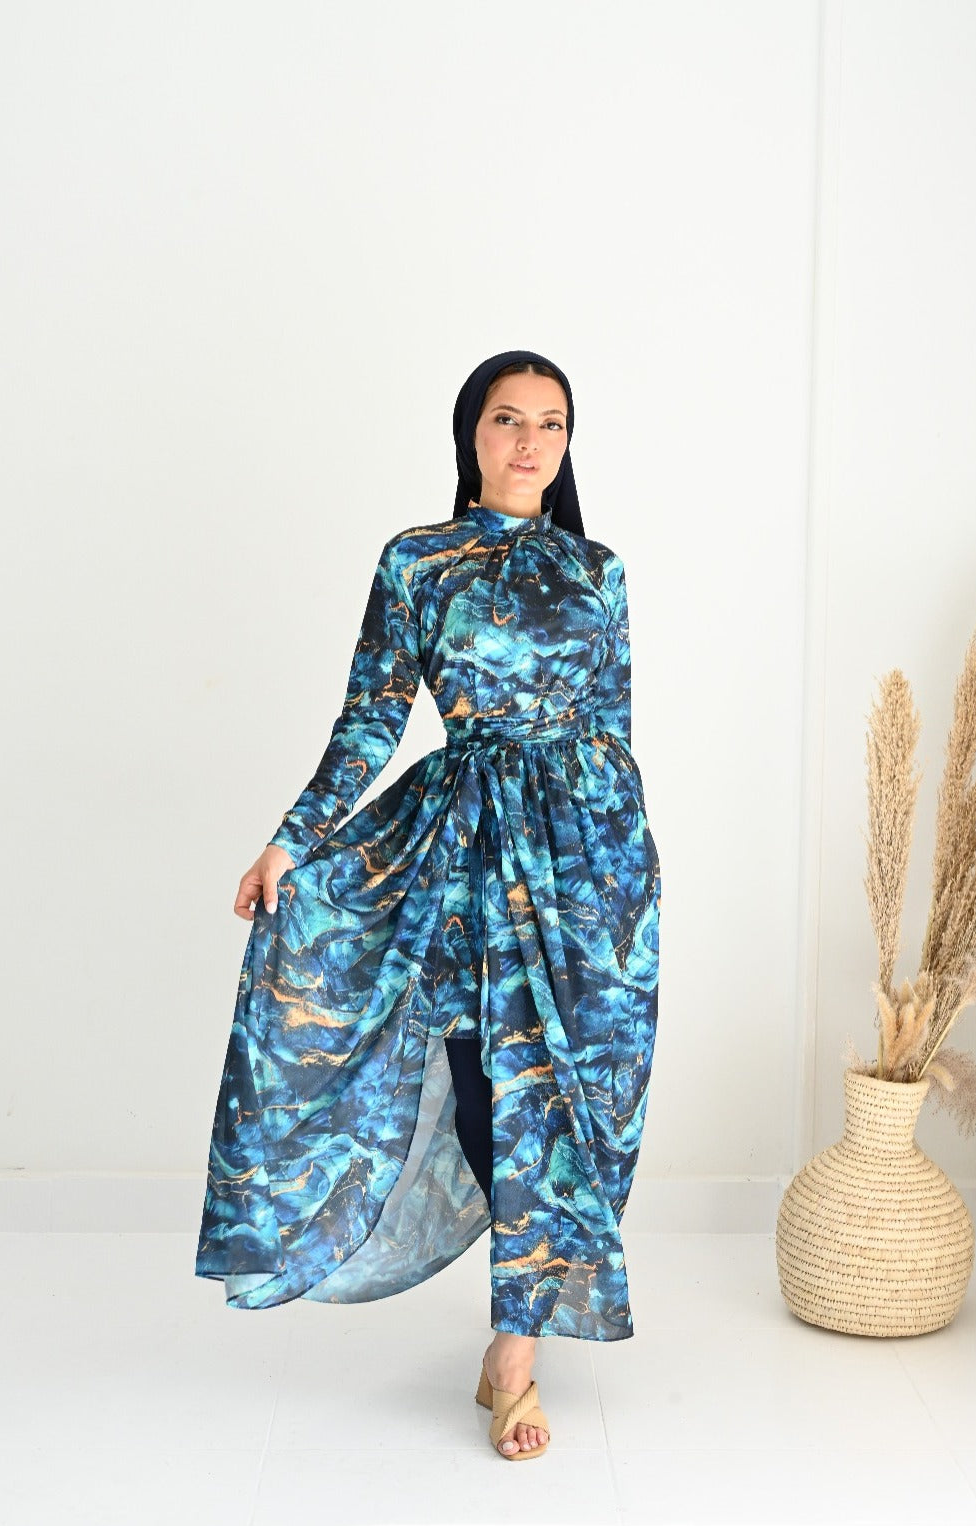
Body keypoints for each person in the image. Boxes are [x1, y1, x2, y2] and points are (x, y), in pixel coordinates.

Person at [195, 350, 662, 1462]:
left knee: (576, 1104)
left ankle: (512, 1346)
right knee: (490, 1091)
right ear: (471, 434)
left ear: (567, 443)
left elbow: (614, 730)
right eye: (507, 419)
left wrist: (627, 880)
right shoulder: (416, 561)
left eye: (551, 423)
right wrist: (290, 841)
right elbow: (370, 718)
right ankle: (517, 1353)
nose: (529, 441)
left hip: (590, 867)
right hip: (460, 855)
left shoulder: (598, 571)